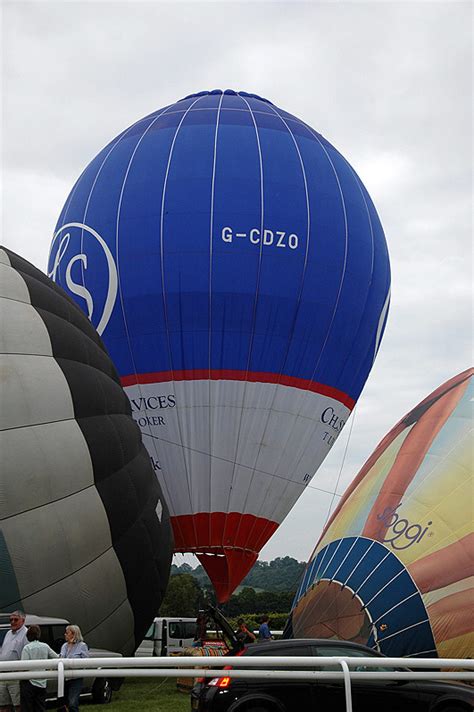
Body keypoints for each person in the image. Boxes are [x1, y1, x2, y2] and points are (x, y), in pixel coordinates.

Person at [20, 625, 58, 712]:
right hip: (42, 682)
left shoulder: (27, 648)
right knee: (40, 707)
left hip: (29, 683)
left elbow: (23, 667)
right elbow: (56, 657)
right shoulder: (45, 646)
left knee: (27, 708)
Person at [0, 610, 28, 712]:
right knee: (3, 705)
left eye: (16, 619)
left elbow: (27, 655)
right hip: (3, 675)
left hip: (16, 676)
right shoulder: (8, 633)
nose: (12, 622)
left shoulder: (26, 634)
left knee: (18, 705)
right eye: (11, 619)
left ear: (23, 620)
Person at [59, 625, 89, 712]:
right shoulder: (64, 646)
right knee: (65, 704)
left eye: (67, 633)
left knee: (73, 703)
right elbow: (61, 658)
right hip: (65, 678)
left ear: (73, 634)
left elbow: (86, 662)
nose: (65, 634)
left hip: (76, 678)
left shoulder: (82, 646)